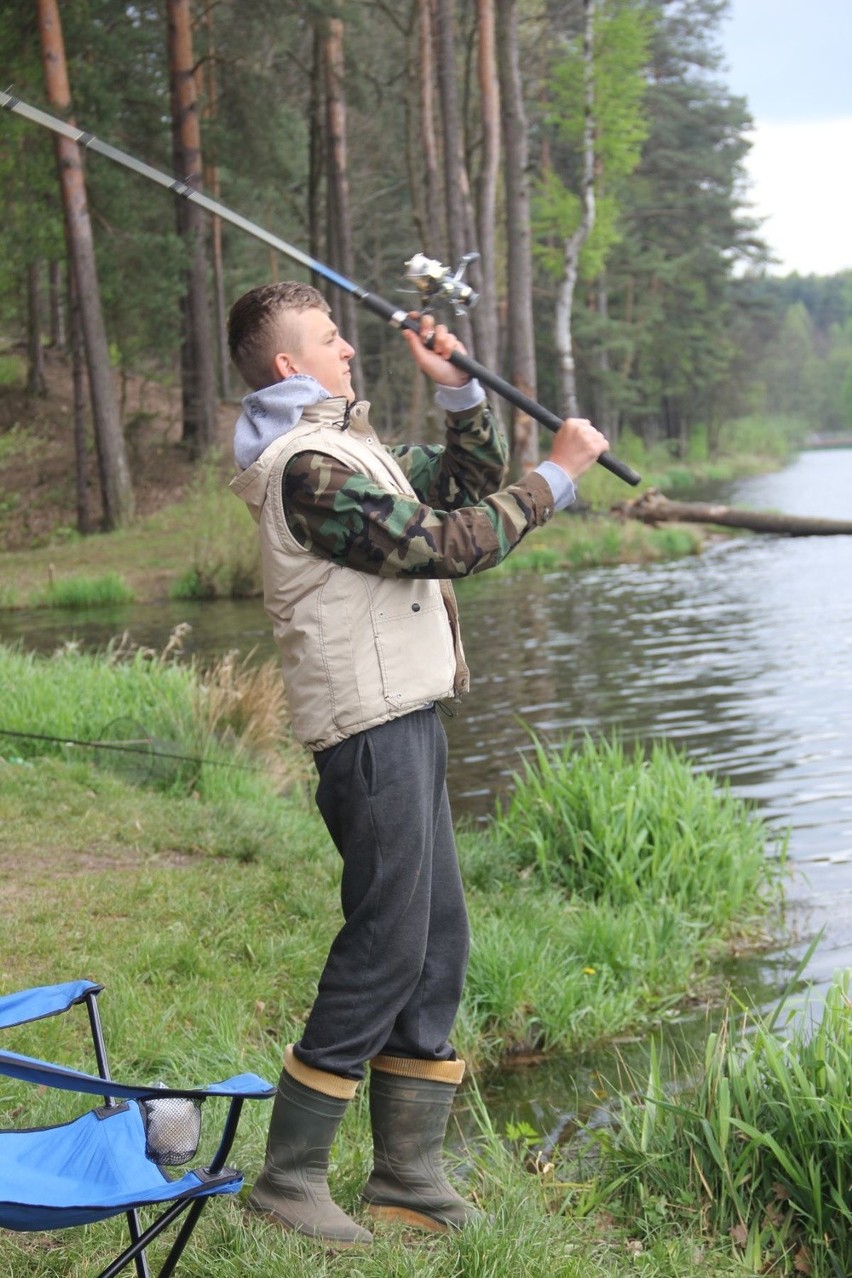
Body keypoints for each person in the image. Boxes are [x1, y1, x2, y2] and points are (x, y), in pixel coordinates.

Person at [227, 281, 609, 1247]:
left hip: (409, 713)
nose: (349, 347)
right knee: (386, 945)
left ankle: (408, 1179)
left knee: (437, 949)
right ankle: (288, 1178)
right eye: (328, 338)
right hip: (364, 728)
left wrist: (457, 393)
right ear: (288, 365)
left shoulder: (353, 449)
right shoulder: (304, 469)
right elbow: (449, 542)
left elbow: (457, 479)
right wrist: (557, 476)